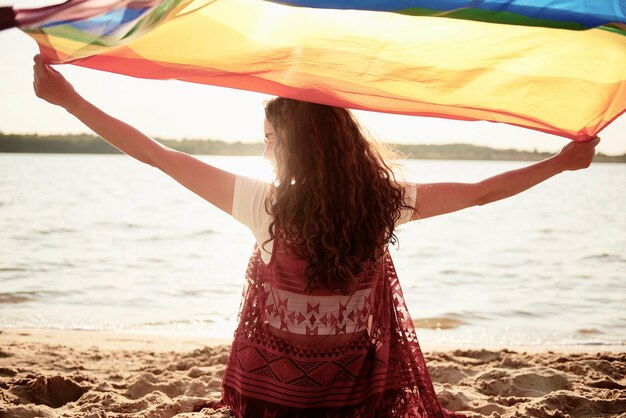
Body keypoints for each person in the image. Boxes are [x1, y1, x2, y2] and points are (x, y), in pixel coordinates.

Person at [32, 54, 599, 418]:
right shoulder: (382, 202)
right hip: (355, 395)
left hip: (275, 398)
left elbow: (158, 156)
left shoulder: (264, 204)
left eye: (269, 137)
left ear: (290, 143)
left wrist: (70, 100)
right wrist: (559, 163)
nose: (263, 148)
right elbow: (480, 191)